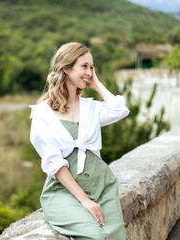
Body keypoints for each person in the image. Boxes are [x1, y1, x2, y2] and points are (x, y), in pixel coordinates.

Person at [29, 42, 130, 240]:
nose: (89, 72)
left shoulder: (91, 108)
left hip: (103, 187)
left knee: (117, 237)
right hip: (64, 193)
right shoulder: (43, 114)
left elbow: (120, 110)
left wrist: (96, 83)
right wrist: (85, 201)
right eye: (84, 66)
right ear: (66, 68)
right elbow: (54, 164)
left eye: (92, 67)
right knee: (95, 237)